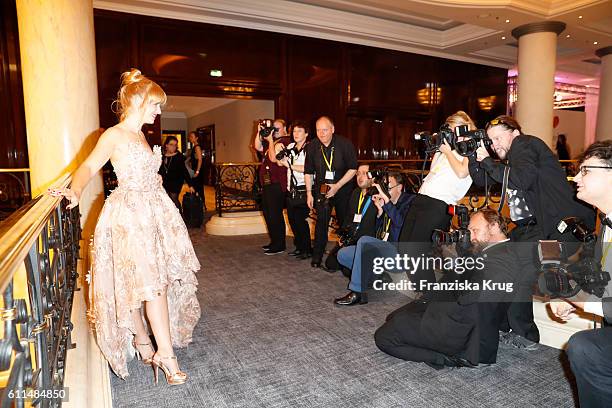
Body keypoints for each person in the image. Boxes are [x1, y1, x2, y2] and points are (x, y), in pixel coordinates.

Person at [50, 69, 200, 383]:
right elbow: (90, 165)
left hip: (153, 214)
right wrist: (75, 190)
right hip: (129, 218)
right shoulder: (113, 135)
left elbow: (144, 171)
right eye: (155, 105)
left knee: (142, 282)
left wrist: (154, 178)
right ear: (139, 102)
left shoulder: (142, 135)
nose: (159, 111)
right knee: (149, 284)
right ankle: (165, 355)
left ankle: (144, 341)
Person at [471, 115, 595, 349]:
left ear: (515, 133)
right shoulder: (513, 160)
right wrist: (473, 155)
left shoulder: (525, 144)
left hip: (553, 227)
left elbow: (522, 179)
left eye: (498, 137)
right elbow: (480, 178)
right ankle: (507, 327)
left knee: (521, 273)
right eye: (490, 140)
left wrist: (488, 161)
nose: (494, 144)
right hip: (530, 228)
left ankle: (524, 335)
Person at [374, 208, 521, 369]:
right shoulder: (499, 251)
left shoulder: (503, 260)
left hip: (459, 329)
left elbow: (470, 295)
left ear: (493, 226)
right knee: (394, 317)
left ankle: (444, 358)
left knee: (384, 337)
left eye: (475, 230)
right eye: (469, 231)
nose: (471, 236)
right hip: (455, 314)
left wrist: (456, 263)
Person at [549, 140, 612, 408]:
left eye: (585, 170)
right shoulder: (605, 224)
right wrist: (573, 301)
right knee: (585, 348)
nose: (575, 177)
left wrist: (583, 301)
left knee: (585, 347)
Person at [398, 111, 475, 285]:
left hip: (439, 203)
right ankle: (425, 290)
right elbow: (434, 172)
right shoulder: (447, 148)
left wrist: (447, 151)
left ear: (466, 127)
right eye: (449, 129)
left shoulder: (472, 146)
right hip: (422, 198)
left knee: (416, 252)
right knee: (404, 247)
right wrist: (438, 148)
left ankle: (429, 294)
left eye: (454, 129)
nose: (451, 133)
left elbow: (463, 172)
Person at [334, 171, 414, 306]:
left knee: (364, 241)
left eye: (388, 188)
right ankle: (378, 277)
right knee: (343, 254)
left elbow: (401, 225)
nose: (385, 191)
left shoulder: (409, 201)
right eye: (384, 187)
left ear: (399, 187)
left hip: (398, 254)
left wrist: (387, 204)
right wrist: (380, 213)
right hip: (382, 251)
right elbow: (378, 232)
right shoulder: (385, 204)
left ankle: (357, 292)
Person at [304, 116, 358, 268]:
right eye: (318, 130)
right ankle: (317, 257)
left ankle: (344, 256)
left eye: (325, 130)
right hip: (323, 190)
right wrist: (309, 193)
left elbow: (353, 168)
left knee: (344, 224)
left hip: (343, 189)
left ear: (333, 129)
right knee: (321, 223)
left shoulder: (345, 144)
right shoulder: (313, 146)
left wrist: (337, 186)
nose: (321, 134)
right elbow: (308, 171)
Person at [324, 164, 378, 272]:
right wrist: (342, 236)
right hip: (352, 238)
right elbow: (348, 216)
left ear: (373, 177)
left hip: (366, 241)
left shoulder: (378, 195)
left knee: (347, 269)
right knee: (330, 263)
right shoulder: (355, 192)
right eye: (358, 173)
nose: (360, 177)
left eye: (364, 174)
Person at [275, 120, 312, 259]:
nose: (295, 134)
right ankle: (299, 247)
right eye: (294, 131)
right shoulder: (290, 146)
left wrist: (289, 165)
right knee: (292, 220)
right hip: (291, 189)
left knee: (300, 220)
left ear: (306, 134)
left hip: (304, 188)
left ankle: (307, 249)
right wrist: (278, 150)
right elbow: (279, 162)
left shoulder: (310, 148)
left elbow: (307, 168)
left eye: (299, 131)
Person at [254, 119, 290, 255]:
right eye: (273, 128)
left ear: (285, 129)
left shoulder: (284, 141)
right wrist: (259, 132)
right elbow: (257, 147)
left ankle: (279, 244)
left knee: (275, 215)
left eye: (277, 128)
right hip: (268, 184)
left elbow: (274, 159)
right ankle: (274, 241)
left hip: (277, 184)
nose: (275, 131)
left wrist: (269, 141)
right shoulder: (273, 141)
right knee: (268, 214)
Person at [158, 135, 190, 209]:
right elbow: (160, 170)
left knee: (174, 198)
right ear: (166, 145)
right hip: (166, 181)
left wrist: (190, 184)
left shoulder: (179, 157)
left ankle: (180, 218)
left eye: (175, 145)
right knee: (167, 199)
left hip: (176, 181)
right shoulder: (162, 156)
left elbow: (184, 171)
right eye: (171, 144)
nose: (173, 147)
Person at [187, 131, 206, 211]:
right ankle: (200, 206)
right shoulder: (194, 147)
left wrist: (197, 172)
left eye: (192, 136)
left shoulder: (197, 147)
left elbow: (200, 160)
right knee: (197, 188)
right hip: (195, 170)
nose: (190, 138)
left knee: (199, 189)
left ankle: (202, 206)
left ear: (196, 138)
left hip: (198, 171)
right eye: (190, 136)